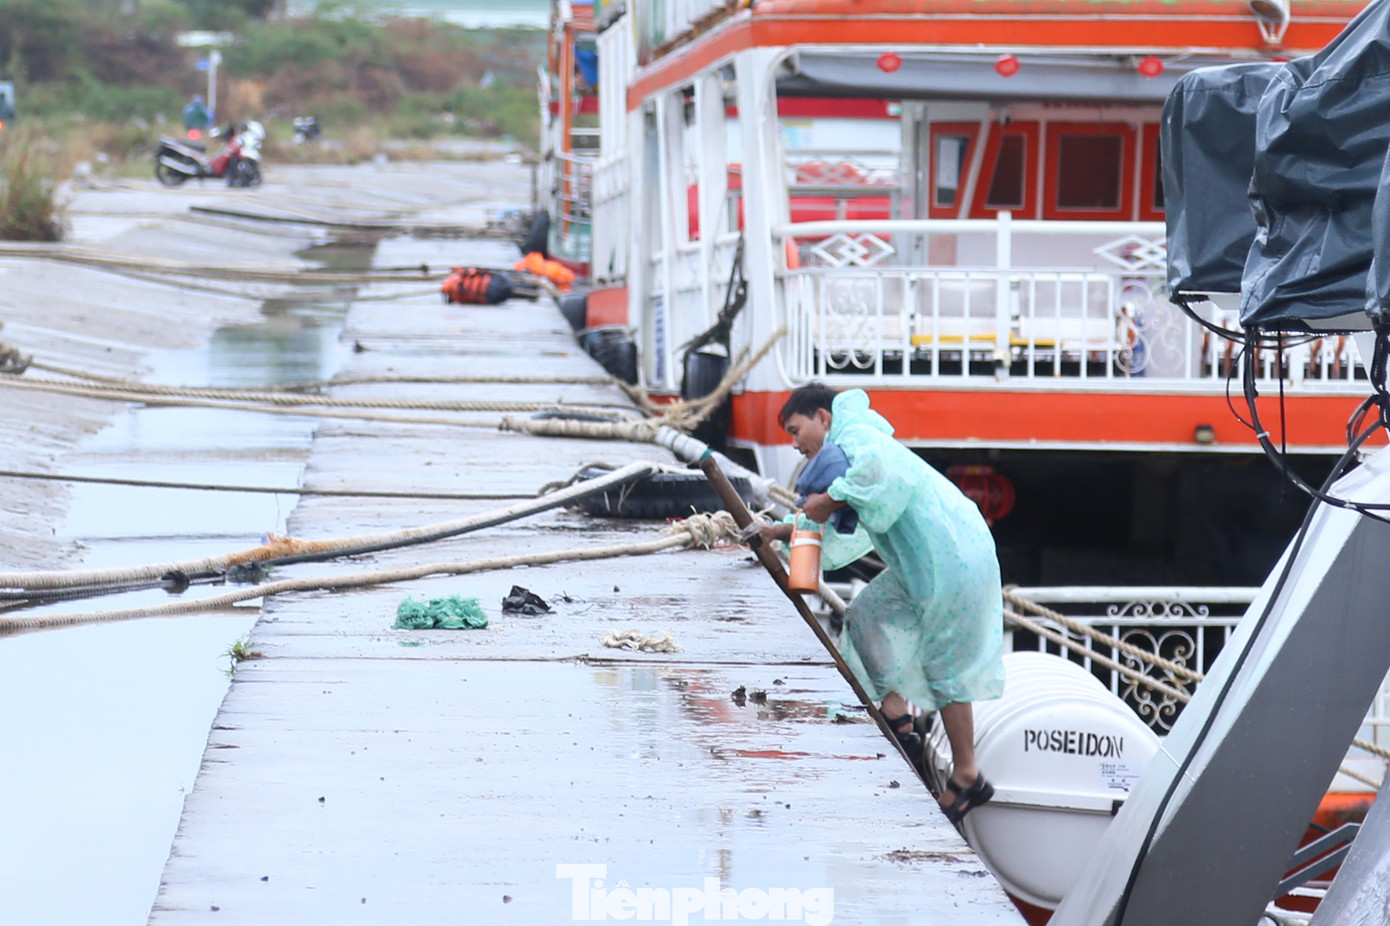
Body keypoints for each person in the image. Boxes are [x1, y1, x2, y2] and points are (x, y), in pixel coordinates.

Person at [762, 383, 1006, 823]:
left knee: (945, 666)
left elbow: (878, 476)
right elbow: (844, 522)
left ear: (824, 417)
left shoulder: (859, 439)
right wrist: (778, 532)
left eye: (797, 431)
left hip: (953, 556)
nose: (795, 445)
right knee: (866, 615)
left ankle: (968, 774)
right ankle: (899, 722)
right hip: (928, 562)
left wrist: (828, 499)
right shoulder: (848, 457)